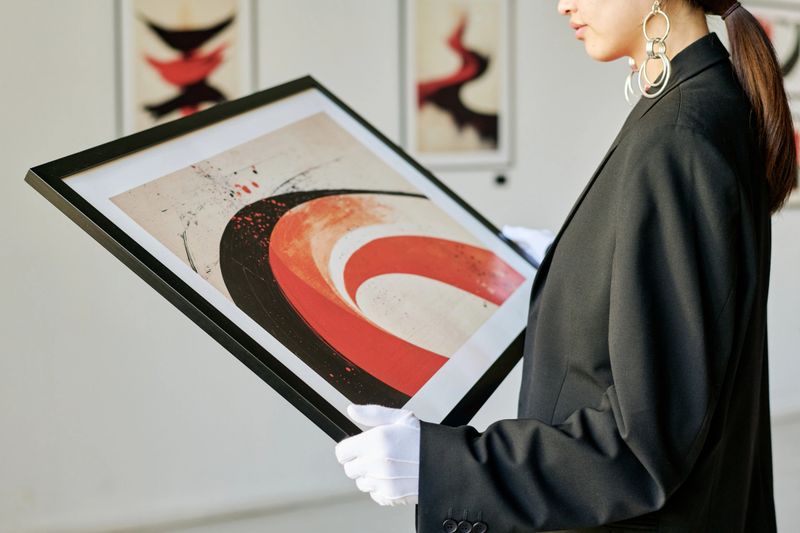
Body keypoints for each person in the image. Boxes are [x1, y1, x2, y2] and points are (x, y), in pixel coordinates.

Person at [334, 0, 798, 531]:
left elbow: (640, 448)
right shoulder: (701, 102)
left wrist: (440, 465)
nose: (563, 5)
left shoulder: (679, 136)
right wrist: (578, 260)